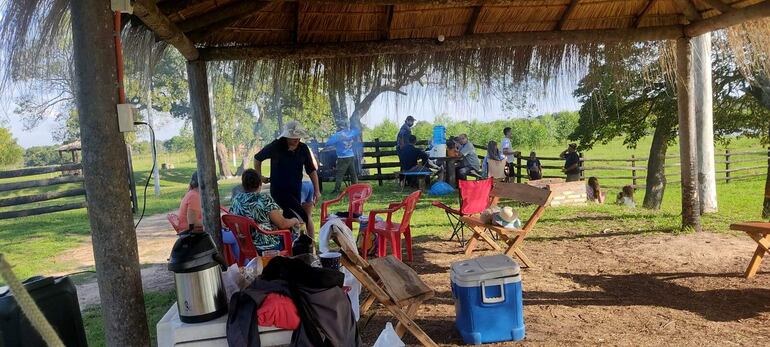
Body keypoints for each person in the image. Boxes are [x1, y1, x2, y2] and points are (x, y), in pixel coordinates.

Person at [254, 120, 320, 226]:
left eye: (299, 137)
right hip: (279, 190)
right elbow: (257, 158)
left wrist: (317, 191)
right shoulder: (276, 146)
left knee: (289, 217)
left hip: (296, 189)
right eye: (293, 137)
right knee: (302, 216)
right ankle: (305, 242)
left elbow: (311, 170)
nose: (297, 139)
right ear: (286, 136)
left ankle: (287, 239)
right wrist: (259, 176)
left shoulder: (303, 148)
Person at [230, 169, 302, 252]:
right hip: (268, 247)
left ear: (243, 185)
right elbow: (282, 224)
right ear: (260, 183)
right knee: (297, 239)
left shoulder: (237, 200)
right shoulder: (264, 200)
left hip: (246, 246)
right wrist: (295, 220)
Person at [326, 127, 361, 194]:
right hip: (351, 156)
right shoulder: (350, 133)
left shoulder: (337, 135)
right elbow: (357, 131)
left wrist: (334, 140)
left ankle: (336, 189)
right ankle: (355, 188)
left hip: (342, 157)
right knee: (353, 174)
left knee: (339, 175)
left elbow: (328, 143)